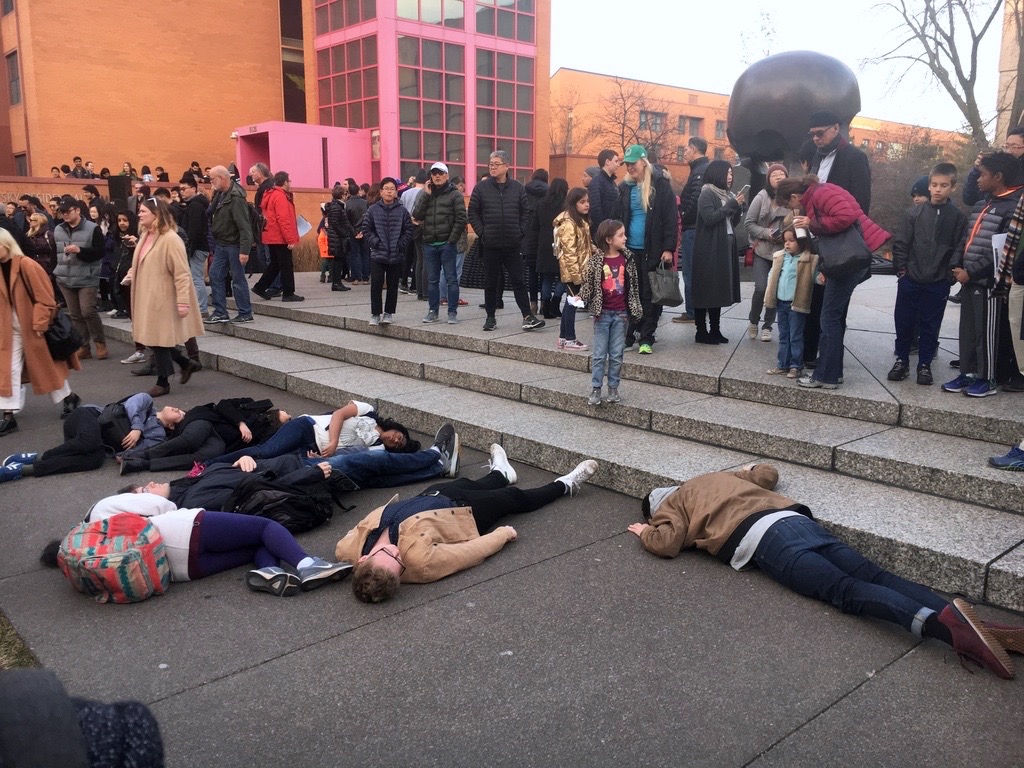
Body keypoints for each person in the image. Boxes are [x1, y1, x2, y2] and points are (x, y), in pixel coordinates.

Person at [629, 463, 1020, 680]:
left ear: (657, 503)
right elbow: (768, 474)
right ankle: (977, 623)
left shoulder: (670, 506)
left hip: (766, 542)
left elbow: (668, 543)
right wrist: (747, 467)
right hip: (794, 520)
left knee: (846, 592)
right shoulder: (712, 476)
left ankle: (947, 631)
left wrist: (647, 531)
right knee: (878, 575)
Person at [338, 444, 599, 603]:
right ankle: (566, 484)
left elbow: (353, 533)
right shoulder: (421, 564)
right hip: (464, 515)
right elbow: (467, 554)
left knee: (468, 483)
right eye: (399, 562)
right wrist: (502, 535)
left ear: (361, 561)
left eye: (387, 553)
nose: (397, 552)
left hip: (429, 499)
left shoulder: (347, 550)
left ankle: (501, 472)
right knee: (514, 498)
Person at [42, 488, 352, 597]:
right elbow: (163, 507)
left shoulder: (91, 549)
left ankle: (269, 570)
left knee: (251, 549)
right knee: (264, 526)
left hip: (177, 570)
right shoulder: (105, 508)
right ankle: (307, 564)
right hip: (182, 529)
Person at [775, 175, 890, 389]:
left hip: (849, 260)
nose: (791, 209)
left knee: (828, 318)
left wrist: (812, 223)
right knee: (833, 317)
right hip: (846, 259)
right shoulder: (816, 195)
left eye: (788, 204)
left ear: (794, 196)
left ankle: (825, 376)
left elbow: (846, 216)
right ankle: (833, 372)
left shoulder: (821, 192)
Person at [942, 152, 1023, 398]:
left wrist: (972, 271)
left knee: (984, 332)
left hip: (988, 282)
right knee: (967, 330)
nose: (977, 178)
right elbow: (967, 238)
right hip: (966, 278)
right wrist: (957, 264)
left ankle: (987, 377)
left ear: (998, 177)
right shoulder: (981, 204)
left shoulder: (1012, 208)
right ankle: (967, 372)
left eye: (982, 174)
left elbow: (1001, 251)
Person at [889, 162, 968, 386]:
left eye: (944, 185)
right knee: (903, 321)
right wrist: (902, 271)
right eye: (934, 184)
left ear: (952, 187)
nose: (937, 189)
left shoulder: (957, 217)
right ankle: (902, 361)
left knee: (930, 324)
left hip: (938, 281)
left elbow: (958, 247)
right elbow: (902, 243)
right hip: (911, 278)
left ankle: (924, 364)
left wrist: (949, 275)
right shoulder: (913, 213)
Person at [0, 230, 80, 437]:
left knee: (47, 367)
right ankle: (8, 414)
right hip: (9, 327)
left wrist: (39, 323)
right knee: (8, 369)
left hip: (34, 325)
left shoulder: (26, 265)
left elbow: (46, 298)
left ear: (6, 244)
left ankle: (69, 398)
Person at [0, 392, 183, 481]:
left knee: (95, 460)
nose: (177, 408)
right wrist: (137, 428)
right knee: (90, 441)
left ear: (172, 425)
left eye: (181, 413)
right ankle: (39, 456)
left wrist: (126, 456)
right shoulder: (148, 402)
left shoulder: (158, 435)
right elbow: (131, 405)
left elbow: (141, 450)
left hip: (91, 444)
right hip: (86, 417)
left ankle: (23, 470)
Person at [122, 197, 203, 397]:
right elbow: (142, 262)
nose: (139, 214)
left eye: (143, 211)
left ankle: (163, 382)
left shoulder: (170, 239)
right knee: (155, 339)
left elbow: (182, 273)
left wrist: (183, 301)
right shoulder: (146, 235)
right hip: (148, 296)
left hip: (163, 298)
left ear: (156, 215)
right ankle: (185, 363)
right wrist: (131, 275)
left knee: (158, 339)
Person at [205, 400, 417, 467]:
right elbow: (339, 414)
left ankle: (221, 469)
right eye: (400, 435)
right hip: (307, 426)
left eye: (399, 444)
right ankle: (208, 465)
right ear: (395, 428)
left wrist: (324, 455)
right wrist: (333, 441)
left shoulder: (377, 447)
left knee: (267, 464)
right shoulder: (369, 412)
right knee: (266, 451)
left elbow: (350, 454)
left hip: (312, 448)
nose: (397, 440)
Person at [468, 150, 545, 332]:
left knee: (518, 281)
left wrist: (520, 232)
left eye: (496, 164)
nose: (492, 167)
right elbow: (472, 212)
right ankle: (490, 317)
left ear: (506, 166)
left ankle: (527, 316)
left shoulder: (518, 188)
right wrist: (482, 232)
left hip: (512, 243)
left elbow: (525, 212)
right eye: (490, 164)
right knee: (490, 282)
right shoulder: (481, 188)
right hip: (490, 244)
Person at [617, 144, 678, 355]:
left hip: (653, 249)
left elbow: (670, 219)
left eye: (633, 163)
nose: (630, 167)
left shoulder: (660, 186)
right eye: (627, 164)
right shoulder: (624, 187)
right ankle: (630, 333)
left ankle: (647, 337)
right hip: (629, 248)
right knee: (630, 292)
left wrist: (669, 247)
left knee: (649, 293)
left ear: (643, 161)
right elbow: (619, 218)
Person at [117, 397, 284, 474]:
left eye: (290, 420)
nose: (289, 417)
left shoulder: (268, 432)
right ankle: (139, 454)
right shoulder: (255, 406)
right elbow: (223, 405)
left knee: (202, 458)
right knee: (192, 438)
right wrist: (241, 423)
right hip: (206, 420)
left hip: (220, 441)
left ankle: (141, 464)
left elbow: (263, 448)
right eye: (288, 415)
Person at [581, 219, 642, 406]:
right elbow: (588, 284)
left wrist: (636, 308)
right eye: (621, 235)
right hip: (602, 314)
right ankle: (596, 388)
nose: (625, 238)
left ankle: (613, 387)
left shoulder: (628, 259)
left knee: (616, 354)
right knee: (599, 354)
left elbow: (634, 288)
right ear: (609, 239)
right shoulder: (596, 261)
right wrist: (580, 298)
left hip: (621, 314)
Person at [692, 159, 744, 345]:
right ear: (717, 173)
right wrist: (731, 205)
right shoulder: (707, 193)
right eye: (727, 173)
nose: (730, 177)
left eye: (731, 174)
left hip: (725, 246)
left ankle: (715, 330)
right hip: (709, 249)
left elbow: (731, 222)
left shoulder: (726, 195)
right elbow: (710, 218)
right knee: (706, 289)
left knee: (718, 290)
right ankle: (701, 331)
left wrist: (737, 208)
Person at [413, 161, 467, 324]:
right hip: (429, 243)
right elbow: (417, 215)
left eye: (440, 173)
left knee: (451, 279)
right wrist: (425, 195)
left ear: (446, 176)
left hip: (447, 244)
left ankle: (452, 312)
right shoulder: (426, 194)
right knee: (432, 280)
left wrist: (451, 240)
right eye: (434, 173)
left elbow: (461, 219)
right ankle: (432, 311)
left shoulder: (455, 194)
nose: (437, 176)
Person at [52, 199, 107, 360]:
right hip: (64, 277)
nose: (64, 215)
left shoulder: (92, 228)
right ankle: (84, 346)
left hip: (86, 276)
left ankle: (100, 342)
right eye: (62, 212)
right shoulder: (58, 229)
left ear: (77, 210)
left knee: (88, 311)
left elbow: (100, 252)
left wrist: (80, 250)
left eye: (67, 211)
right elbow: (54, 253)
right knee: (75, 315)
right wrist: (53, 272)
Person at [743, 163, 789, 342]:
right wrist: (767, 233)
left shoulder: (791, 198)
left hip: (782, 251)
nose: (778, 176)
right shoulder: (761, 197)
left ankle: (768, 325)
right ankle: (753, 320)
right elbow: (748, 223)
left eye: (782, 174)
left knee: (774, 289)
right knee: (761, 287)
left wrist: (786, 235)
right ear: (768, 179)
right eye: (774, 174)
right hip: (761, 250)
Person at [764, 226, 818, 378]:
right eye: (785, 241)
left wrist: (820, 278)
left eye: (791, 241)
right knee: (783, 335)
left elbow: (813, 276)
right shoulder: (780, 257)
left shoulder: (807, 259)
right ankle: (782, 364)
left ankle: (796, 365)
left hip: (796, 304)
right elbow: (772, 275)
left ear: (801, 242)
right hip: (781, 302)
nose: (787, 244)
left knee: (795, 336)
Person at [205, 164, 254, 324]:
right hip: (222, 244)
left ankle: (245, 312)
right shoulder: (220, 194)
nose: (211, 182)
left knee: (238, 279)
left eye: (212, 179)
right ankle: (220, 312)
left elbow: (244, 226)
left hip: (234, 245)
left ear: (222, 178)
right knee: (215, 275)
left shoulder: (235, 197)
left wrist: (244, 251)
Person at [363, 176, 414, 326]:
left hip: (396, 254)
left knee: (392, 286)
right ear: (381, 191)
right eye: (386, 189)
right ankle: (375, 314)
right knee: (376, 284)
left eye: (392, 189)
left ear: (396, 192)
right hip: (378, 254)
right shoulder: (373, 210)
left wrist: (400, 245)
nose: (389, 192)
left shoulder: (402, 211)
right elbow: (366, 230)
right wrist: (375, 242)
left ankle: (389, 313)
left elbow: (408, 231)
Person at [806, 111, 872, 214]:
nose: (815, 138)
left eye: (820, 133)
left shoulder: (856, 157)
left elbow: (862, 201)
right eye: (812, 134)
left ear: (836, 128)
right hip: (814, 223)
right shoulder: (816, 156)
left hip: (842, 223)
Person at [252, 171, 303, 303]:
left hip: (271, 234)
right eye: (289, 181)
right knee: (286, 264)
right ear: (285, 182)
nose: (290, 183)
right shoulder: (280, 196)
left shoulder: (271, 194)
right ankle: (288, 293)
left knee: (275, 264)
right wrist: (290, 239)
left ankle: (260, 286)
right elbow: (283, 219)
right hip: (279, 236)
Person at [675, 137, 710, 324]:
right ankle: (698, 310)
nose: (685, 152)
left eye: (687, 149)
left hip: (693, 228)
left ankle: (692, 311)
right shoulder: (703, 168)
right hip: (699, 228)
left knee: (689, 271)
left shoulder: (699, 170)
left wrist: (684, 215)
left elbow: (695, 198)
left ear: (695, 149)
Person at [552, 187, 592, 351]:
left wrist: (593, 249)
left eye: (587, 201)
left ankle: (563, 338)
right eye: (582, 202)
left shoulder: (579, 221)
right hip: (574, 272)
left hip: (579, 270)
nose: (586, 205)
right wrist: (577, 276)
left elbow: (582, 246)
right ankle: (570, 338)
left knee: (571, 303)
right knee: (573, 303)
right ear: (573, 203)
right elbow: (570, 253)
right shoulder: (569, 223)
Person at [533, 178, 569, 320]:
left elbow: (534, 226)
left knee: (546, 277)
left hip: (544, 244)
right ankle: (556, 302)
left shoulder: (541, 204)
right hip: (562, 244)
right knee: (563, 277)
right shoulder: (566, 206)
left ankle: (546, 307)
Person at [963, 128, 1024, 207]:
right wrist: (977, 171)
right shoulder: (997, 168)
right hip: (988, 213)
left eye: (1014, 147)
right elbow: (970, 199)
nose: (1009, 151)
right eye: (1006, 146)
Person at [179, 174, 210, 318]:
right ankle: (199, 307)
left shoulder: (196, 206)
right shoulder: (196, 205)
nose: (181, 192)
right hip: (197, 247)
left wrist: (190, 249)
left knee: (197, 279)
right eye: (180, 189)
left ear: (193, 188)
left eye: (184, 189)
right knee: (195, 278)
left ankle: (202, 308)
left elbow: (195, 231)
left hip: (197, 248)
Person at [326, 183, 355, 292]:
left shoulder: (338, 206)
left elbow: (345, 222)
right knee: (338, 260)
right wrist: (345, 234)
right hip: (337, 238)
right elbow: (336, 223)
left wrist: (352, 231)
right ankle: (336, 283)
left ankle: (337, 282)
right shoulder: (337, 207)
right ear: (342, 195)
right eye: (345, 193)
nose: (346, 196)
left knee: (338, 260)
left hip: (337, 237)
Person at [588, 149, 621, 239]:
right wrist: (603, 231)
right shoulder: (597, 182)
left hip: (611, 230)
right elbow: (595, 209)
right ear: (607, 162)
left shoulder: (611, 182)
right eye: (616, 161)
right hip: (603, 234)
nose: (618, 165)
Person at [345, 181, 369, 285]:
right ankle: (365, 277)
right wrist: (363, 231)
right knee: (365, 254)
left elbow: (346, 221)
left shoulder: (347, 204)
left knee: (354, 254)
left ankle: (355, 277)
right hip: (364, 231)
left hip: (353, 231)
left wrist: (354, 232)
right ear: (358, 190)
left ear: (349, 192)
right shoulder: (365, 203)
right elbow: (368, 218)